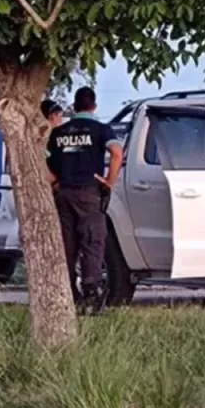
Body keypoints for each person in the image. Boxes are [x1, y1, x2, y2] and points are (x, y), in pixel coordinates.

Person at [47, 86, 123, 315]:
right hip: (89, 193)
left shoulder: (59, 132)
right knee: (92, 241)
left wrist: (55, 182)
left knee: (67, 245)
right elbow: (118, 153)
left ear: (74, 105)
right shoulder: (100, 129)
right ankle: (91, 294)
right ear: (94, 106)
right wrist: (109, 181)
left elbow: (45, 161)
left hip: (63, 194)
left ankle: (68, 292)